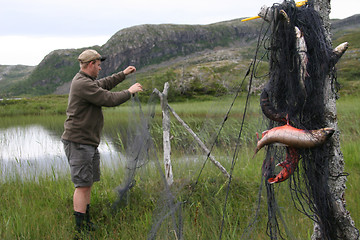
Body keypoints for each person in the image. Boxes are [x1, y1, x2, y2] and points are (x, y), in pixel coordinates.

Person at [61, 49, 143, 236]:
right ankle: (80, 229)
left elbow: (104, 84)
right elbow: (107, 98)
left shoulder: (87, 81)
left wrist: (123, 74)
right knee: (82, 185)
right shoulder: (82, 84)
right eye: (98, 64)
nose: (100, 67)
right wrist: (129, 92)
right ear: (90, 64)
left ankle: (86, 221)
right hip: (78, 142)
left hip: (87, 142)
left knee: (87, 182)